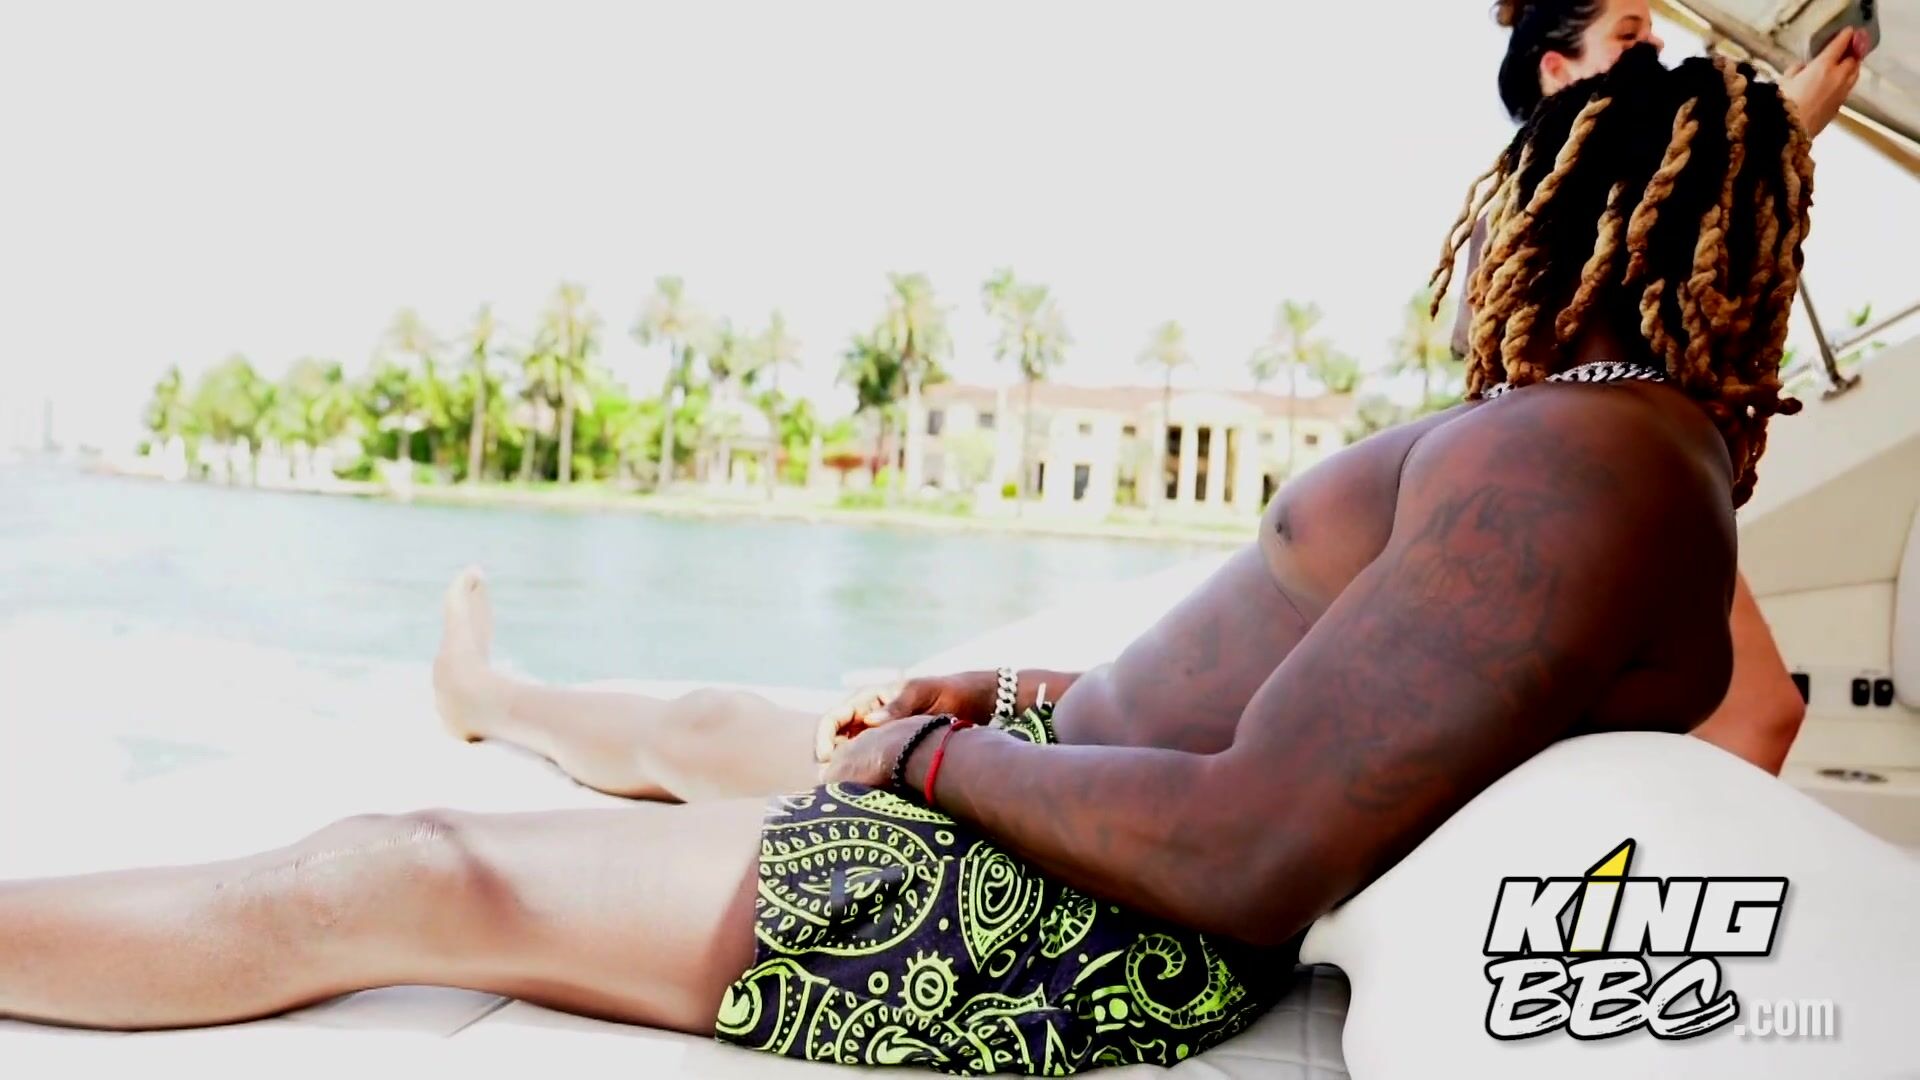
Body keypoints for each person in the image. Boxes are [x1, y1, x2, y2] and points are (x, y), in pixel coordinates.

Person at [1, 48, 1814, 1076]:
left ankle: (490, 718)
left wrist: (930, 760)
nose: (1486, 245)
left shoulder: (1577, 460)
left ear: (1576, 205)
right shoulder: (1615, 453)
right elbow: (1322, 720)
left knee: (393, 872)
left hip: (1080, 918)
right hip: (1080, 827)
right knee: (690, 733)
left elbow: (1251, 847)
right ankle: (495, 696)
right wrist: (996, 698)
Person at [1446, 0, 1870, 774]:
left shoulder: (1544, 193)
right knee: (1758, 716)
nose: (1653, 45)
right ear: (1557, 68)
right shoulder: (1549, 198)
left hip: (1577, 488)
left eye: (1650, 30)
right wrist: (1779, 128)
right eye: (1628, 35)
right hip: (1606, 483)